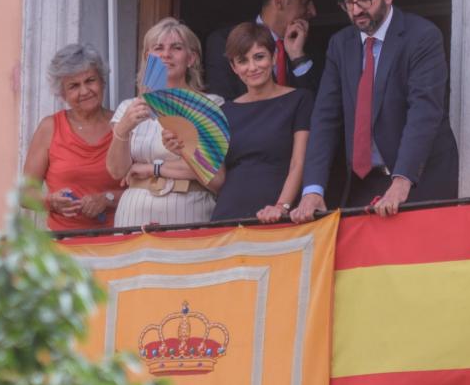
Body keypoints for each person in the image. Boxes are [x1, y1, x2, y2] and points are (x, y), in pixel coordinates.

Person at [291, 0, 459, 223]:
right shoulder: (340, 44)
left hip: (418, 181)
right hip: (361, 183)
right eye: (348, 2)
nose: (356, 10)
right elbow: (325, 118)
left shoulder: (422, 36)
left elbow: (424, 113)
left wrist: (402, 180)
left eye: (364, 0)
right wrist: (313, 189)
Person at [106, 17, 222, 226]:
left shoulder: (210, 105)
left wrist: (151, 168)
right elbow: (117, 171)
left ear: (191, 58)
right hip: (133, 213)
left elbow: (215, 177)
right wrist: (123, 129)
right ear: (147, 56)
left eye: (176, 48)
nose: (166, 55)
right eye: (158, 48)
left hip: (189, 210)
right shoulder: (129, 107)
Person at [201, 22, 313, 222]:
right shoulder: (224, 112)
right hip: (228, 216)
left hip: (278, 215)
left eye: (259, 57)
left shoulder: (300, 100)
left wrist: (282, 206)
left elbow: (299, 163)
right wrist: (186, 148)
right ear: (234, 67)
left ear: (274, 57)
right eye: (243, 61)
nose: (252, 67)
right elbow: (218, 181)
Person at [22, 43, 123, 231]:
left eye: (90, 80)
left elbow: (142, 188)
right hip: (65, 245)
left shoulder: (122, 125)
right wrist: (50, 201)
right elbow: (25, 194)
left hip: (120, 238)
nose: (84, 91)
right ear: (62, 94)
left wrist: (107, 199)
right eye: (74, 86)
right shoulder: (50, 127)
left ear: (102, 81)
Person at [205, 0, 321, 101]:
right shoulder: (224, 41)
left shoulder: (308, 46)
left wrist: (298, 56)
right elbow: (223, 106)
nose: (313, 11)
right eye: (305, 1)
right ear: (279, 1)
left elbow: (318, 106)